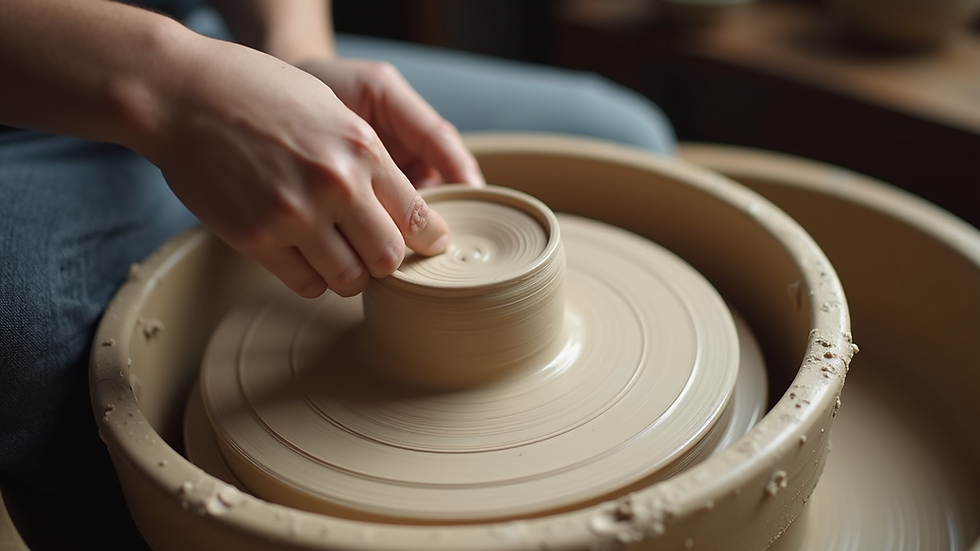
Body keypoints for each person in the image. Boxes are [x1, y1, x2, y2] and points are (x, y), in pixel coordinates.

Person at [0, 1, 675, 548]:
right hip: (35, 96)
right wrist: (171, 88)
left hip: (203, 42)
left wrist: (296, 60)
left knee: (622, 136)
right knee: (31, 321)